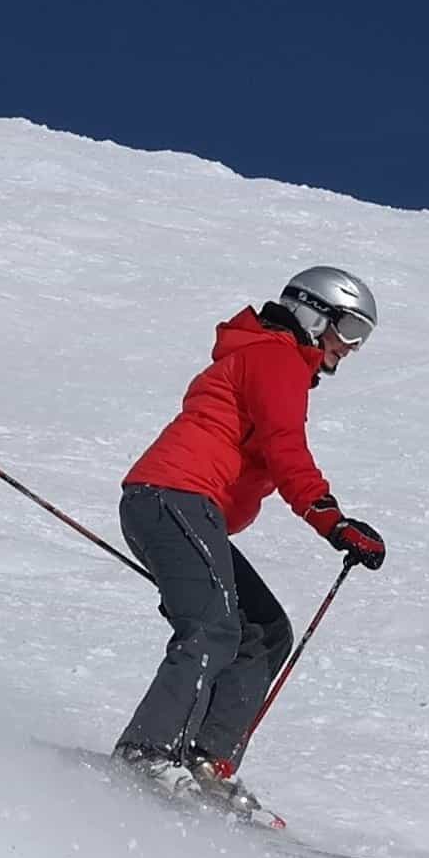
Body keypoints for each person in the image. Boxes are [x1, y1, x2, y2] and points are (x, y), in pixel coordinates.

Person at [111, 267, 389, 815]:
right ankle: (146, 753)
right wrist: (333, 521)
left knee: (263, 632)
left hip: (183, 507)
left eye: (363, 336)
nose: (352, 348)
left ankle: (206, 762)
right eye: (350, 328)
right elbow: (287, 452)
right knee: (214, 628)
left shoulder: (272, 362)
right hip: (172, 496)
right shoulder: (276, 357)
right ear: (314, 313)